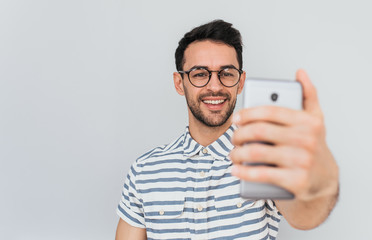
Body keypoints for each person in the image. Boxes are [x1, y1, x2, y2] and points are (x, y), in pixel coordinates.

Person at [115, 19, 339, 240]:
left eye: (227, 73)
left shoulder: (265, 158)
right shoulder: (145, 170)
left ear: (240, 82)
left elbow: (307, 216)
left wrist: (324, 176)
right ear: (179, 83)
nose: (215, 86)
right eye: (200, 74)